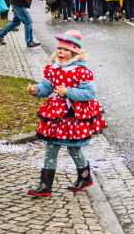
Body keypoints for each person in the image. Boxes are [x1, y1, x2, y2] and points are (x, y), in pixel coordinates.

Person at [27, 31, 106, 196]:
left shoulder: (81, 71)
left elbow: (90, 94)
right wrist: (36, 90)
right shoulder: (53, 69)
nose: (60, 52)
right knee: (51, 148)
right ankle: (45, 185)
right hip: (56, 115)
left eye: (65, 49)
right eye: (58, 49)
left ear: (75, 52)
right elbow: (47, 87)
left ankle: (85, 177)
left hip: (72, 116)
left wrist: (68, 92)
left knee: (74, 149)